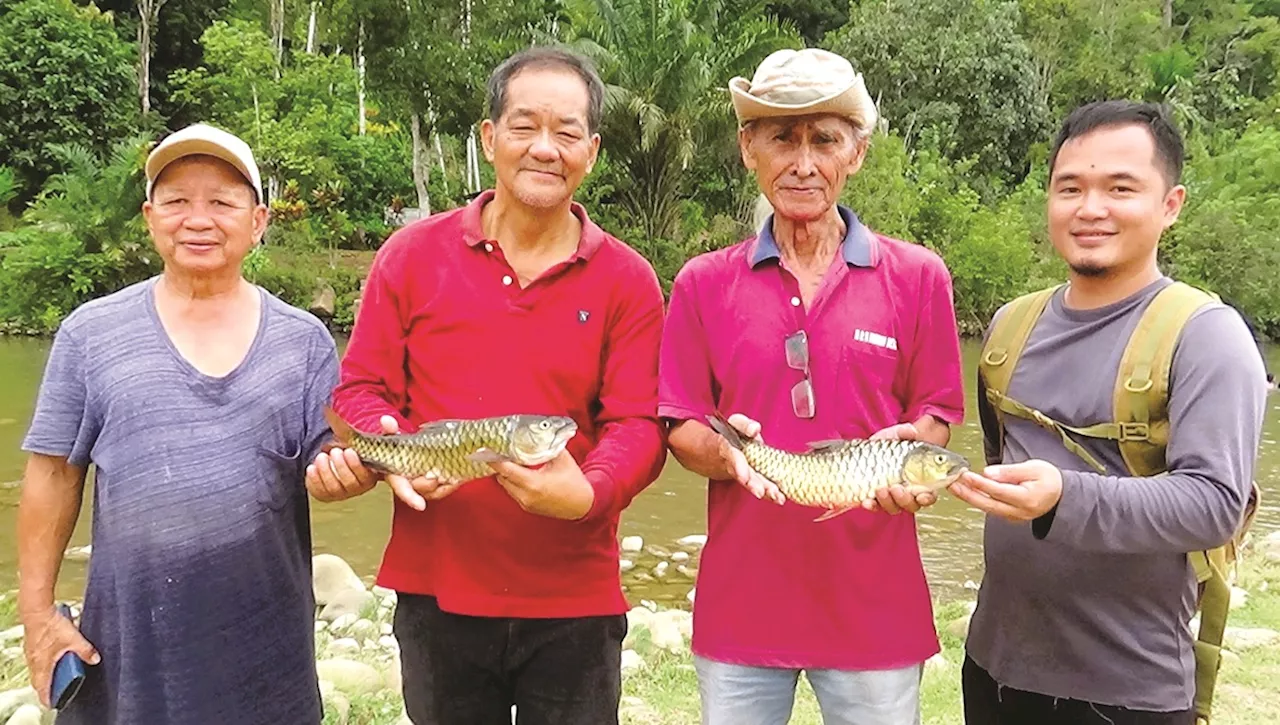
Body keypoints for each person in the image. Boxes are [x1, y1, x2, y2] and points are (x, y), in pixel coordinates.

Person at [303, 47, 667, 725]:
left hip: (575, 600)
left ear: (591, 150)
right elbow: (359, 389)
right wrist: (393, 450)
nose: (544, 148)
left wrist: (589, 493)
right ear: (489, 137)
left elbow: (639, 426)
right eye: (525, 125)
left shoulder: (628, 280)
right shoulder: (411, 257)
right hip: (437, 591)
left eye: (566, 132)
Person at [659, 48, 965, 725]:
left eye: (824, 139)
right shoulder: (702, 283)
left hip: (875, 607)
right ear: (749, 149)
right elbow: (681, 423)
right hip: (742, 602)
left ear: (854, 152)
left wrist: (914, 455)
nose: (803, 162)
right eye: (782, 138)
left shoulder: (918, 277)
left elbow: (938, 412)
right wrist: (728, 454)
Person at [952, 100, 1269, 725]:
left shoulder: (1207, 336)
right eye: (1070, 188)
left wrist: (1063, 497)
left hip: (1127, 692)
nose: (1090, 208)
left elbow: (1214, 506)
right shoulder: (1011, 326)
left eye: (1120, 188)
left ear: (1170, 205)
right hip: (991, 669)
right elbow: (1005, 463)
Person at [17, 123, 338, 724]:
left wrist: (346, 473)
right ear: (149, 217)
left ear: (259, 221)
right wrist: (38, 617)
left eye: (222, 202)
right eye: (176, 202)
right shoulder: (91, 334)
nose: (198, 219)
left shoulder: (305, 342)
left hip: (267, 656)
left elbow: (333, 459)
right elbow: (53, 476)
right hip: (128, 656)